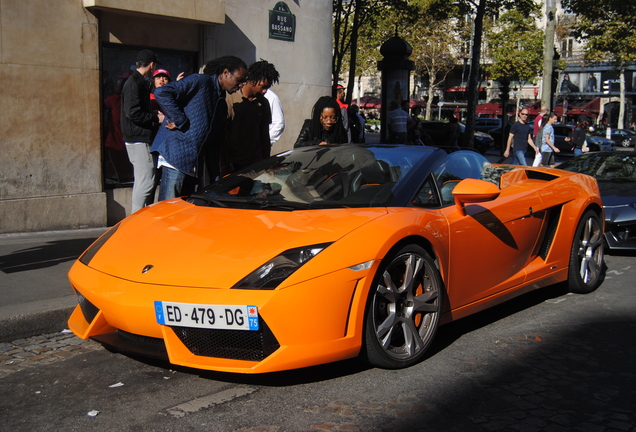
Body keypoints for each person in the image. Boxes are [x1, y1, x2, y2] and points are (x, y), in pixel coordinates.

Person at [151, 55, 247, 200]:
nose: (240, 85)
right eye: (239, 80)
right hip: (176, 156)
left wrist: (215, 180)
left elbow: (214, 146)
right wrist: (180, 119)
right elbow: (162, 92)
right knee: (169, 208)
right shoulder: (201, 81)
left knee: (186, 211)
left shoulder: (221, 104)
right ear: (226, 72)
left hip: (194, 165)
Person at [120, 49, 164, 213]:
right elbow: (133, 113)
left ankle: (137, 217)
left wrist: (151, 113)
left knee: (142, 180)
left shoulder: (136, 82)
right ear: (151, 65)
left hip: (137, 136)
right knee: (146, 181)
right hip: (138, 137)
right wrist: (155, 119)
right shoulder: (134, 83)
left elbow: (134, 111)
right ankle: (135, 218)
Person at [222, 60, 280, 174]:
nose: (265, 91)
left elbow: (264, 135)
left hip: (255, 165)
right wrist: (224, 166)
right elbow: (223, 135)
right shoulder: (230, 98)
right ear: (253, 81)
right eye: (262, 87)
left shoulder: (263, 103)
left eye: (267, 88)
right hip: (233, 165)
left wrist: (266, 163)